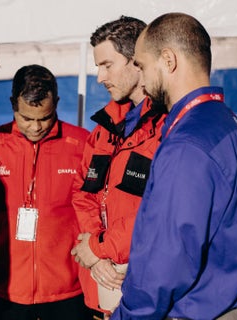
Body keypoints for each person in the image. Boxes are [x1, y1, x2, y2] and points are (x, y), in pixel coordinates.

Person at [111, 13, 237, 319]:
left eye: (141, 65)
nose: (141, 79)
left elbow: (166, 259)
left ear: (168, 60)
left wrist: (128, 314)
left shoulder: (187, 145)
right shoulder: (235, 128)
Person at [0, 64, 91, 320]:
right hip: (5, 288)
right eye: (26, 118)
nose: (35, 127)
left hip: (67, 290)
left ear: (56, 102)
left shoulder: (82, 144)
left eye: (44, 117)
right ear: (13, 104)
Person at [69, 16, 165, 319]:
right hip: (102, 283)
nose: (99, 77)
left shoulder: (168, 127)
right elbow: (84, 193)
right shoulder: (103, 129)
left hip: (146, 286)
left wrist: (100, 249)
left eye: (107, 65)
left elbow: (159, 209)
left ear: (136, 61)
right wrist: (96, 255)